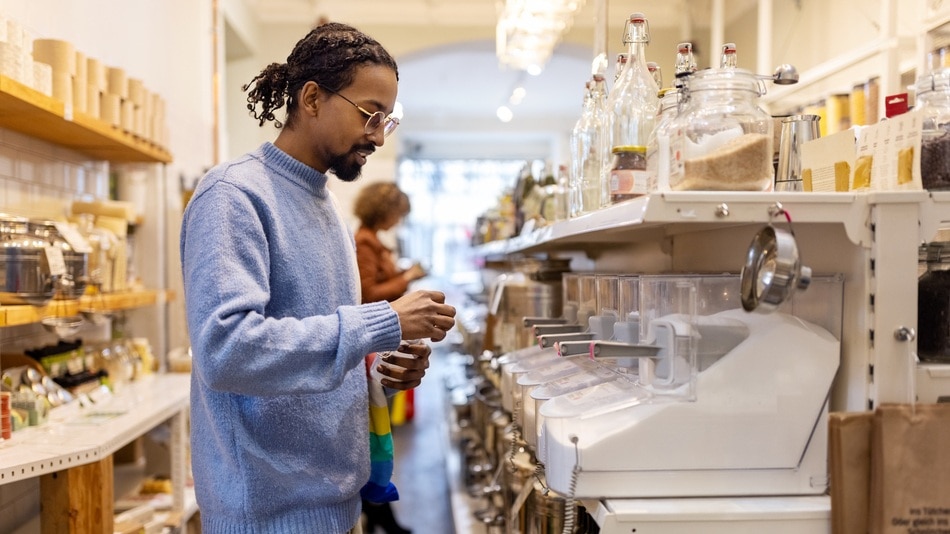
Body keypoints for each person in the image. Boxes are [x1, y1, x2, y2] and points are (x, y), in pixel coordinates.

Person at [179, 22, 456, 534]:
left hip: (335, 505)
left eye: (387, 121)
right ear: (311, 98)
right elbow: (226, 350)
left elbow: (318, 340)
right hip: (265, 516)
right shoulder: (233, 195)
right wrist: (383, 319)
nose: (376, 134)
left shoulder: (325, 204)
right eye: (371, 114)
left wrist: (377, 373)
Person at [352, 182, 425, 534]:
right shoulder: (364, 242)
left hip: (376, 345)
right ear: (386, 210)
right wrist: (408, 278)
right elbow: (368, 294)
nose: (400, 220)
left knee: (379, 433)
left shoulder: (373, 241)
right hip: (369, 347)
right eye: (398, 213)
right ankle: (380, 515)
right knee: (375, 434)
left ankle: (381, 515)